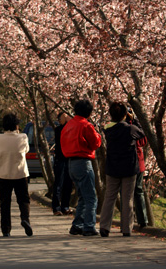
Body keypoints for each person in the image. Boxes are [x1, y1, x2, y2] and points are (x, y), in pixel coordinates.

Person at [99, 102, 145, 237]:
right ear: (125, 115)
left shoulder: (107, 129)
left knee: (109, 197)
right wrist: (134, 118)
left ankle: (104, 227)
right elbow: (142, 134)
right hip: (129, 168)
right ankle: (126, 229)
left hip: (112, 167)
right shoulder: (130, 129)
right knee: (127, 199)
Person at [60, 99, 102, 236]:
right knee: (91, 197)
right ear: (89, 113)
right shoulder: (86, 125)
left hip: (70, 163)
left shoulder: (68, 125)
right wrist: (98, 134)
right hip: (83, 162)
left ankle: (77, 225)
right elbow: (95, 143)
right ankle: (89, 226)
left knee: (83, 196)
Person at [0, 113, 33, 237]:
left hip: (3, 174)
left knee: (5, 202)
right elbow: (26, 150)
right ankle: (25, 218)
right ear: (16, 125)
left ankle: (6, 229)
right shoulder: (23, 137)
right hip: (20, 173)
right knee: (23, 199)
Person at [51, 112, 73, 216]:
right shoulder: (59, 129)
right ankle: (56, 207)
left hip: (69, 159)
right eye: (64, 117)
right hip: (60, 159)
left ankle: (65, 206)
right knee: (58, 183)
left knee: (68, 184)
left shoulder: (70, 127)